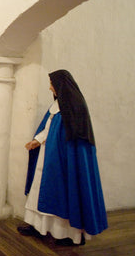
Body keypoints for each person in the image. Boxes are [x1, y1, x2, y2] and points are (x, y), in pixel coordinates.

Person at [18, 69, 108, 246]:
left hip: (65, 162)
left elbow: (75, 141)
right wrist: (37, 140)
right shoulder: (58, 106)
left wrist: (61, 155)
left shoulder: (74, 107)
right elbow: (49, 127)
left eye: (51, 83)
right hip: (49, 158)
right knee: (41, 191)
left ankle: (68, 235)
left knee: (65, 195)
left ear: (60, 85)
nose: (50, 87)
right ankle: (39, 227)